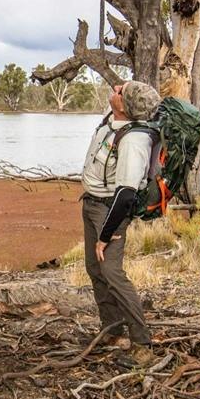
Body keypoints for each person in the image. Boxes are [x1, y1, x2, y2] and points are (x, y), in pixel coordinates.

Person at [81, 80, 161, 363]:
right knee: (95, 269)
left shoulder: (134, 140)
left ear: (125, 106)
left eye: (120, 91)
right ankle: (112, 330)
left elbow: (126, 193)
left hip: (109, 211)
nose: (114, 89)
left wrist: (107, 233)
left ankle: (142, 343)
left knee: (112, 273)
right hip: (91, 203)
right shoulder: (113, 122)